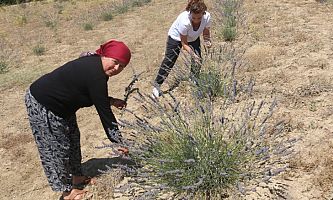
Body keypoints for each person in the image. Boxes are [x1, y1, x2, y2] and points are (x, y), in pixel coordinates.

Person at [25, 40, 131, 200]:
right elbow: (105, 114)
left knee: (73, 140)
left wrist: (111, 100)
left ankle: (77, 177)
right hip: (43, 103)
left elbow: (91, 94)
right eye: (115, 62)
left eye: (122, 66)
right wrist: (117, 141)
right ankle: (67, 192)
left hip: (63, 107)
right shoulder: (96, 74)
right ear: (105, 55)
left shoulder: (97, 68)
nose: (117, 68)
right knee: (56, 149)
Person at [152, 0, 212, 97]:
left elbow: (206, 32)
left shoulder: (207, 17)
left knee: (198, 59)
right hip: (176, 37)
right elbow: (184, 44)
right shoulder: (185, 21)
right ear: (190, 13)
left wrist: (207, 41)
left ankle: (194, 79)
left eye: (199, 18)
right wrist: (193, 55)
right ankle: (157, 85)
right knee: (169, 60)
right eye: (194, 17)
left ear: (203, 13)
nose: (196, 20)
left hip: (193, 37)